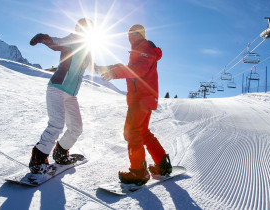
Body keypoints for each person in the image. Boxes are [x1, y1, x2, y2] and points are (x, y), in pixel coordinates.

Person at [97, 24, 172, 185]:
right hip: (143, 98)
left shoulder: (145, 48)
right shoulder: (140, 50)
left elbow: (139, 69)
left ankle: (138, 172)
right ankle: (162, 164)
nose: (131, 36)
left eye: (135, 33)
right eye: (129, 33)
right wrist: (111, 68)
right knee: (142, 132)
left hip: (141, 99)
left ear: (142, 35)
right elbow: (131, 68)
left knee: (131, 132)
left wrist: (115, 72)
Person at [28, 18, 98, 174]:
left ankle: (60, 152)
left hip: (71, 95)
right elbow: (56, 42)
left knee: (76, 128)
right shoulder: (72, 39)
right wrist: (44, 38)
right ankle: (38, 159)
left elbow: (96, 68)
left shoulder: (88, 51)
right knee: (56, 124)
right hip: (57, 88)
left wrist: (112, 70)